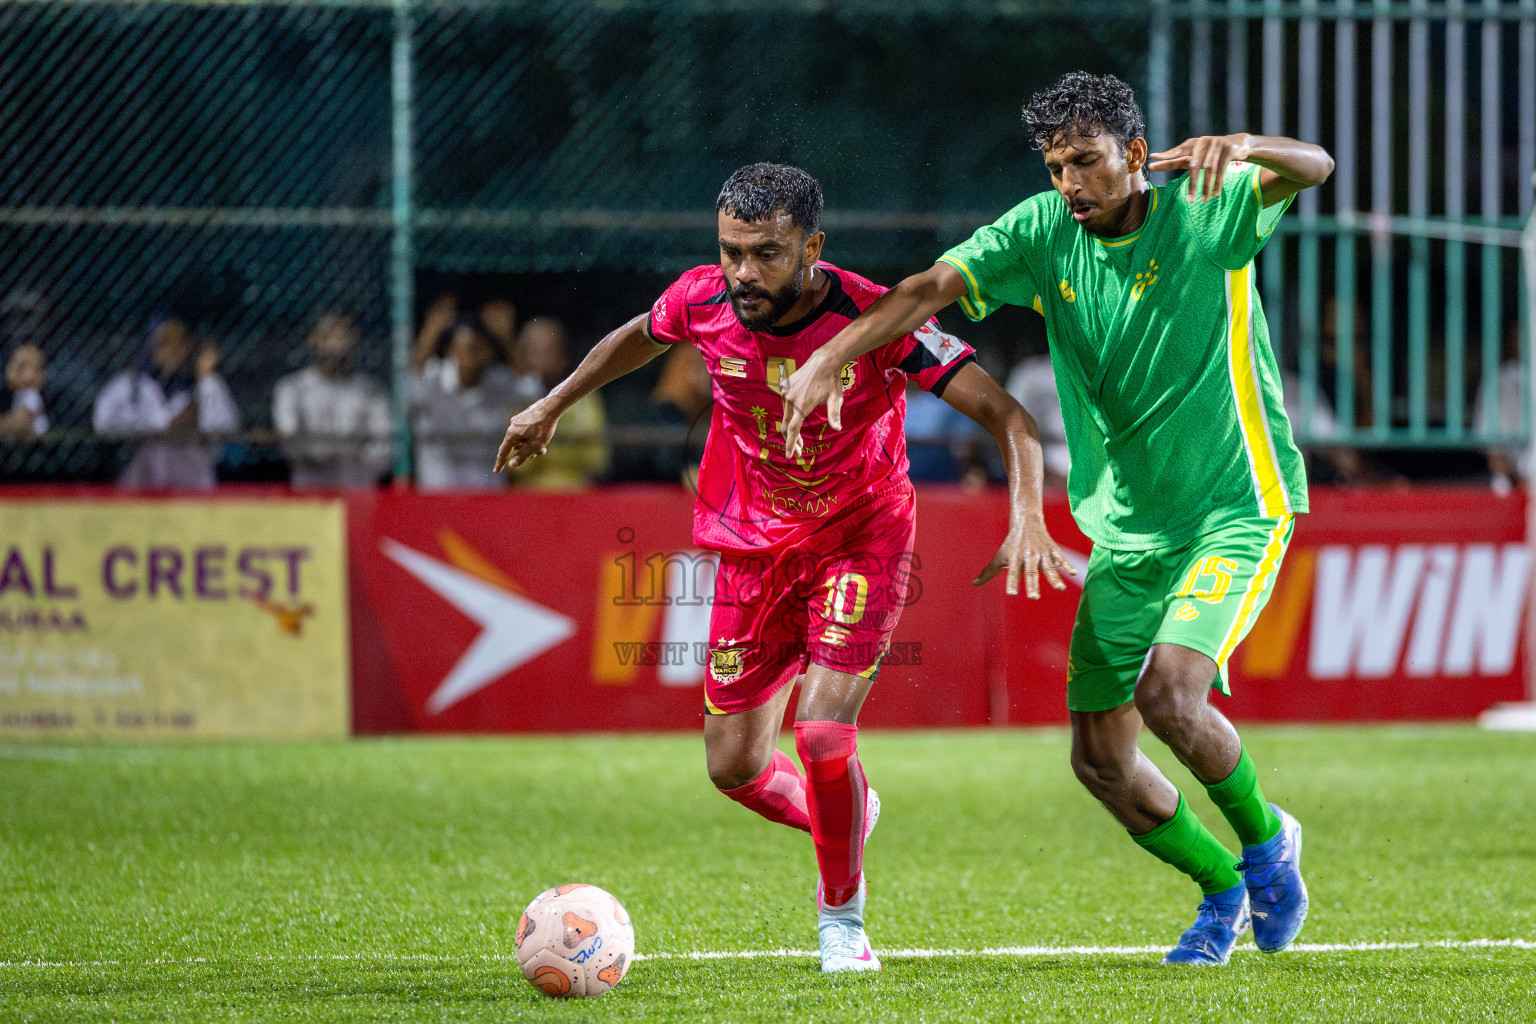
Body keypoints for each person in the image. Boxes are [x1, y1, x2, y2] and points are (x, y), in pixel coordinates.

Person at [781, 73, 1332, 966]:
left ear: (1136, 158)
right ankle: (1222, 888)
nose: (1070, 181)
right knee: (1100, 762)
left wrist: (1252, 146)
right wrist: (829, 358)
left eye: (1086, 161)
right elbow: (926, 289)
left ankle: (1268, 847)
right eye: (1055, 165)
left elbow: (1317, 166)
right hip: (1128, 528)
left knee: (1168, 694)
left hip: (1235, 507)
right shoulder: (1041, 233)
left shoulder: (1205, 205)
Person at [495, 163, 1071, 973]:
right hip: (751, 550)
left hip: (860, 540)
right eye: (731, 251)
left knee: (825, 735)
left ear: (812, 247)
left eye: (765, 254)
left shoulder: (879, 318)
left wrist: (1024, 518)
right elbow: (638, 336)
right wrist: (550, 404)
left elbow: (1009, 417)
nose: (743, 273)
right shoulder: (703, 298)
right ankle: (847, 811)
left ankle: (842, 923)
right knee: (733, 767)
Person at [92, 318, 240, 489]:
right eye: (165, 343)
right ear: (150, 347)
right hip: (140, 488)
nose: (173, 350)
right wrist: (162, 425)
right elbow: (102, 422)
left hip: (193, 490)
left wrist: (206, 378)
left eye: (180, 342)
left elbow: (227, 427)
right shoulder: (129, 385)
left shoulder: (205, 386)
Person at [271, 312, 393, 488]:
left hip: (357, 489)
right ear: (313, 342)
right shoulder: (293, 388)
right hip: (311, 491)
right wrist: (316, 454)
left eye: (342, 337)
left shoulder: (371, 391)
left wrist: (358, 458)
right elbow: (289, 437)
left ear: (354, 342)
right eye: (327, 338)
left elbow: (385, 445)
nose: (335, 345)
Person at [411, 314, 522, 490]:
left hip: (487, 497)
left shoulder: (498, 382)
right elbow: (410, 382)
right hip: (438, 497)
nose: (476, 355)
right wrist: (431, 331)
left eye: (482, 348)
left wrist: (506, 338)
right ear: (451, 351)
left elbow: (533, 388)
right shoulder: (434, 379)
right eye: (469, 348)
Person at [506, 317, 609, 488]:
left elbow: (598, 460)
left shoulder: (585, 399)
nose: (541, 360)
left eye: (548, 351)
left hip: (573, 496)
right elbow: (514, 467)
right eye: (534, 351)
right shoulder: (516, 400)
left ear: (563, 356)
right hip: (527, 498)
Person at [1005, 348, 1070, 490]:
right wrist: (1043, 472)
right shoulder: (1030, 374)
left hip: (1098, 465)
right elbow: (1014, 431)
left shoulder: (1107, 369)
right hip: (1047, 461)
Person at [2, 343, 49, 438]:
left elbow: (19, 422)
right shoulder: (9, 394)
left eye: (37, 369)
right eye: (21, 368)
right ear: (7, 368)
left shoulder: (31, 393)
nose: (29, 376)